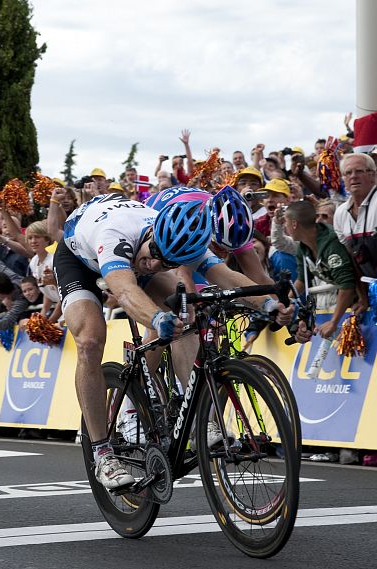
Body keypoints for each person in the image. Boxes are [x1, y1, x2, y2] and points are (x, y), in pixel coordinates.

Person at [54, 194, 304, 491]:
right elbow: (124, 292)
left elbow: (230, 278)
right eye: (155, 252)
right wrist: (156, 320)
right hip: (80, 261)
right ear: (152, 233)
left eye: (166, 262)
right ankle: (103, 453)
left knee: (186, 313)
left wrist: (270, 306)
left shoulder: (182, 243)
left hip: (130, 256)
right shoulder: (115, 237)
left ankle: (198, 417)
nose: (155, 263)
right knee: (91, 340)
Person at [284, 201, 357, 337]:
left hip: (364, 296)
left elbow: (347, 285)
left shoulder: (332, 243)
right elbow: (302, 279)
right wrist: (285, 302)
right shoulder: (303, 247)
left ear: (294, 224)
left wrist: (333, 322)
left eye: (286, 222)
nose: (285, 226)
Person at [333, 153, 377, 280]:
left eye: (359, 171)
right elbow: (351, 260)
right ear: (343, 179)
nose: (353, 176)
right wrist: (363, 296)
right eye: (348, 173)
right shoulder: (340, 213)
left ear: (372, 175)